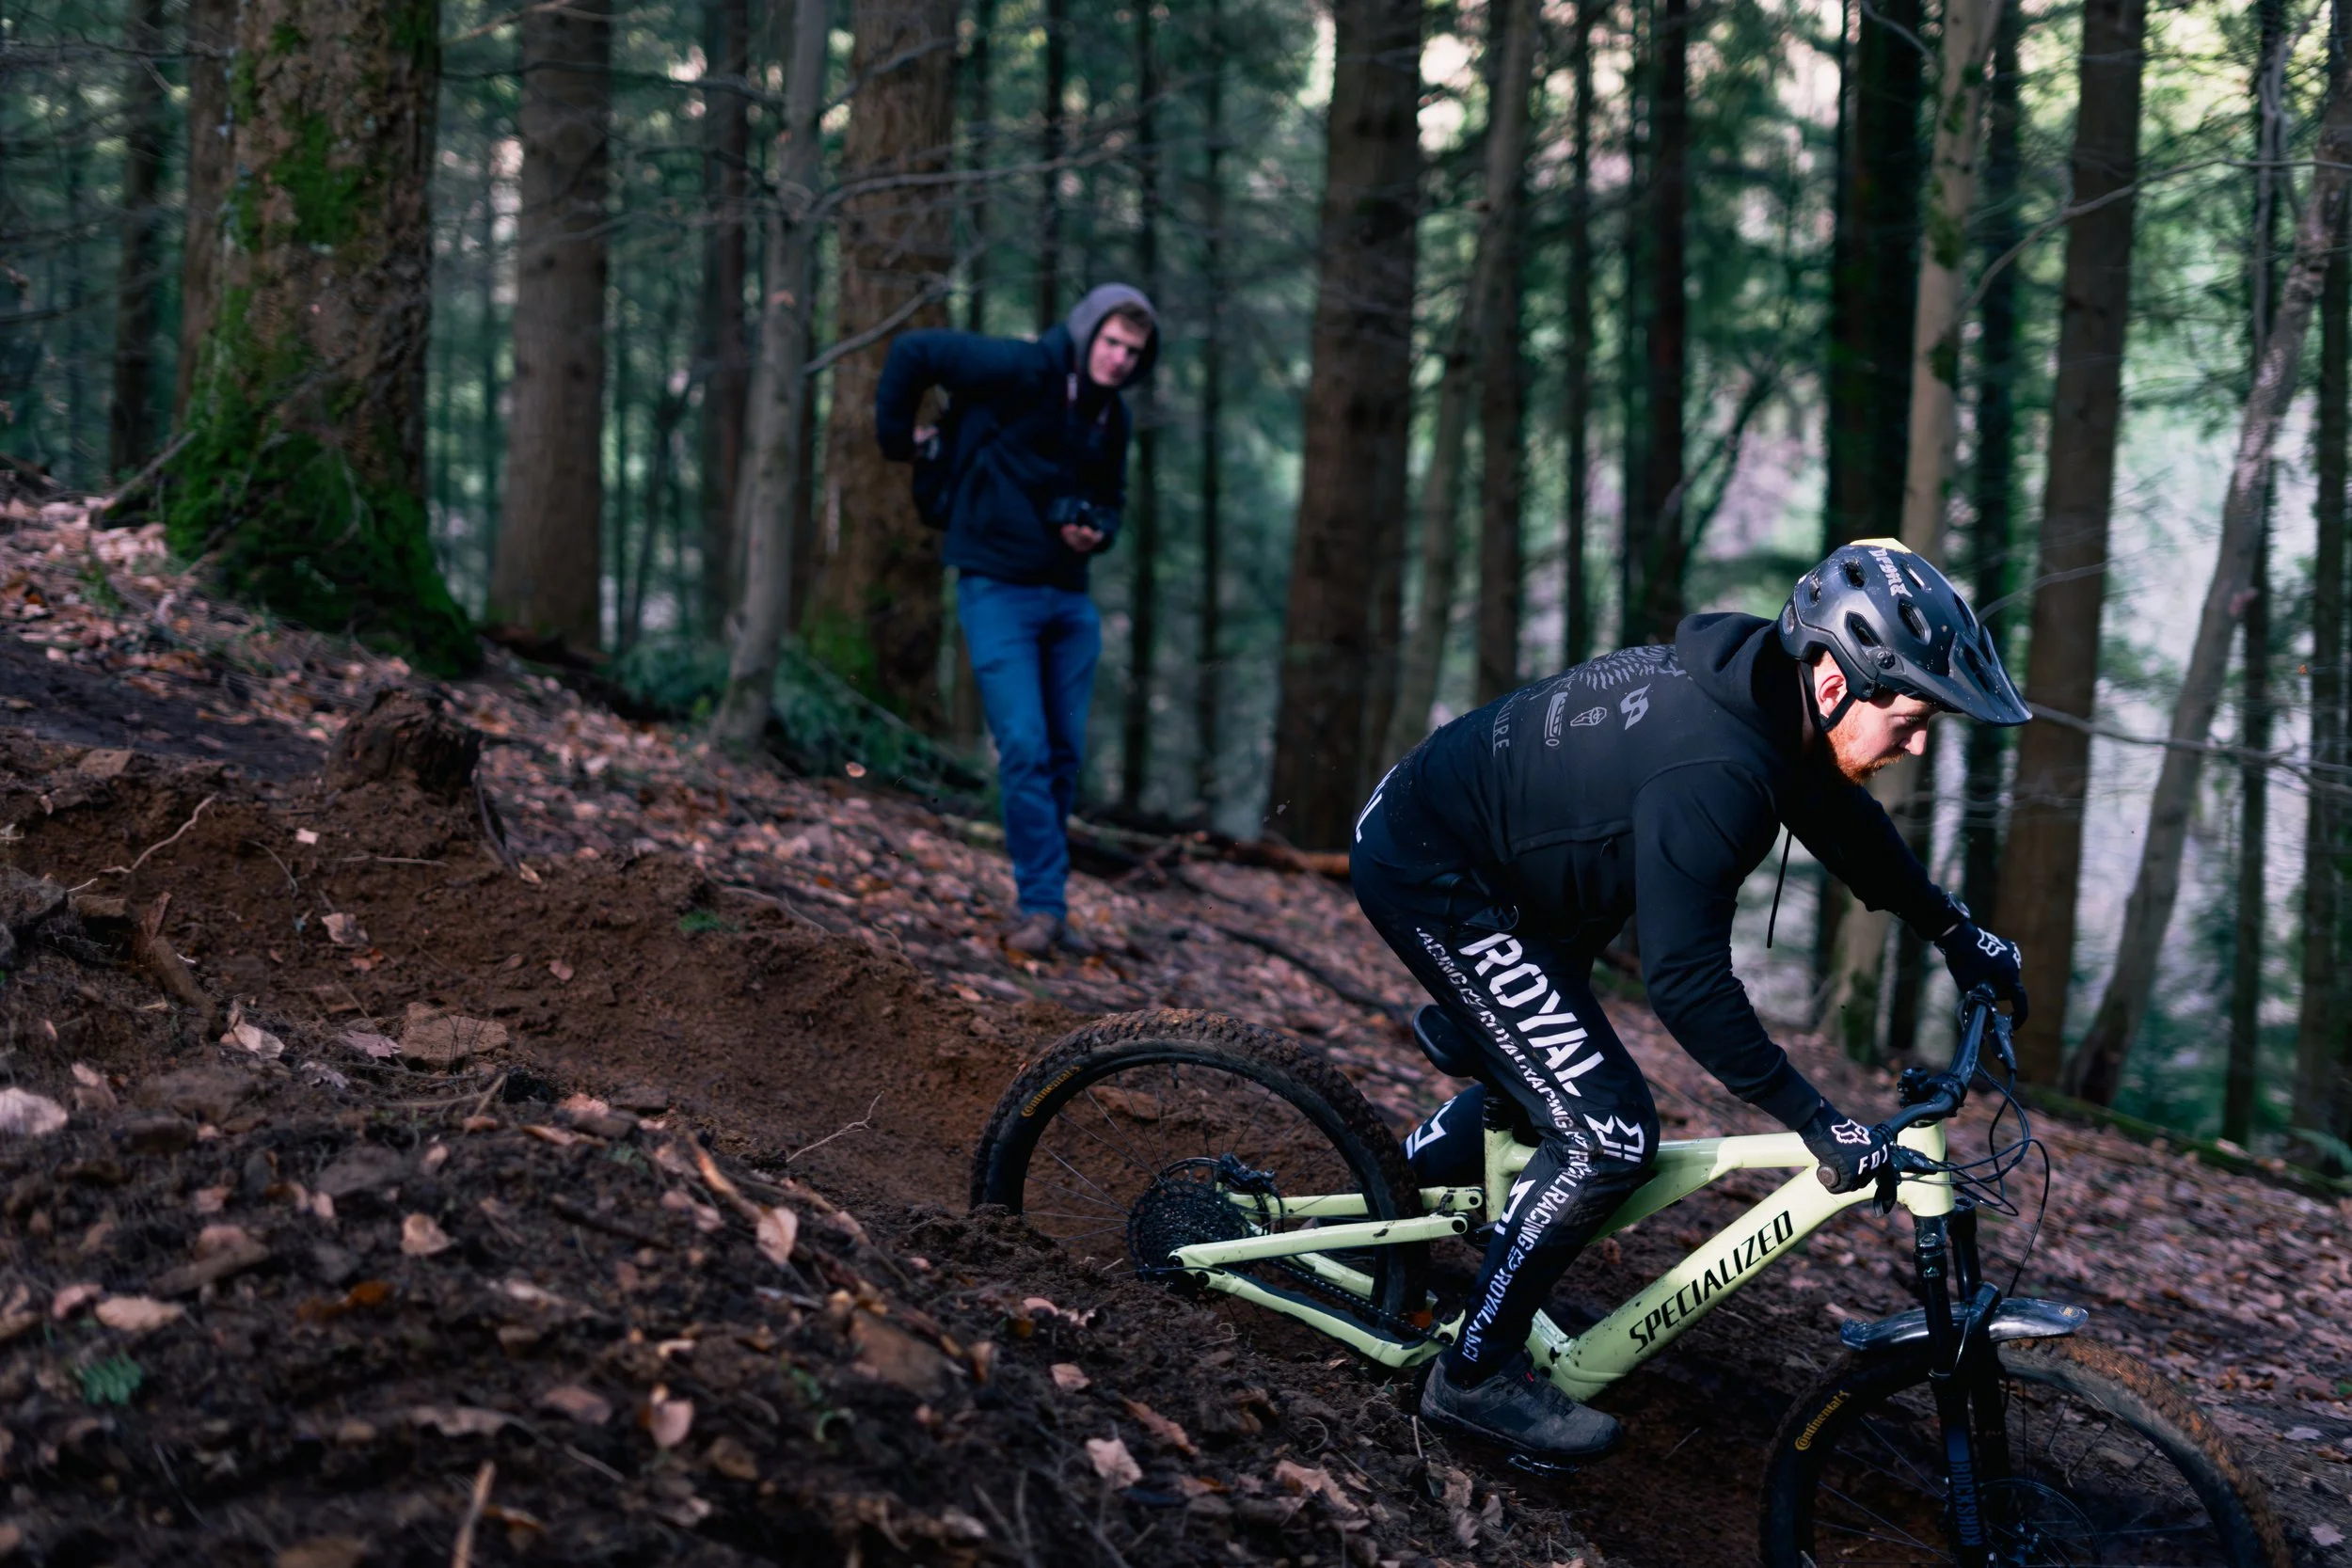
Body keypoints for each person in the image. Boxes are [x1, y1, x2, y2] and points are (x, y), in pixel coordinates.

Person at [1351, 539, 2032, 1462]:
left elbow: (1840, 821)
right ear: (1835, 684)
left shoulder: (1768, 689)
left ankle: (1387, 1191)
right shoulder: (1716, 769)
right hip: (1441, 872)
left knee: (1550, 1081)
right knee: (1609, 1132)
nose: (1917, 742)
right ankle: (1472, 1374)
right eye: (1912, 717)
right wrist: (1815, 1118)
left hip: (1510, 861)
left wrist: (1956, 931)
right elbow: (1685, 981)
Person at [876, 285, 1159, 956]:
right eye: (1112, 342)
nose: (1119, 359)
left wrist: (1097, 530)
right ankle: (1042, 905)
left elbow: (1112, 501)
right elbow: (914, 351)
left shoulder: (1109, 417)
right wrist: (895, 439)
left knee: (1063, 755)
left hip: (1069, 599)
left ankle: (1048, 902)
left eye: (1133, 352)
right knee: (1025, 746)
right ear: (1089, 332)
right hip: (997, 587)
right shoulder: (1020, 367)